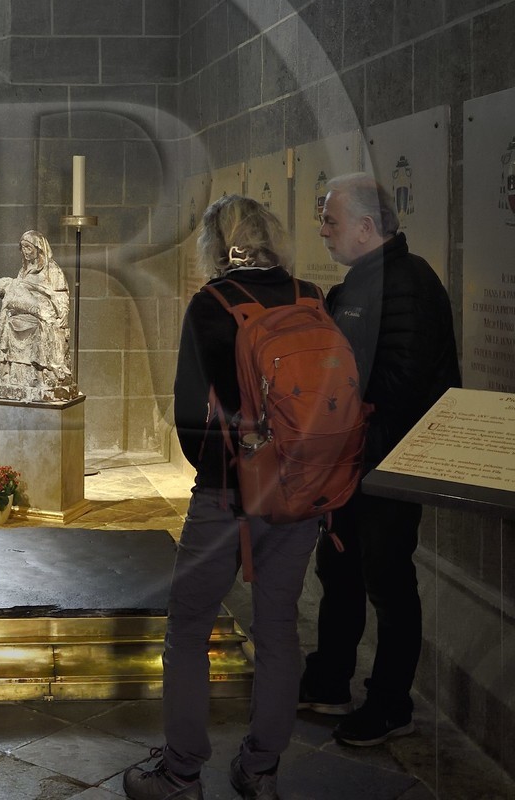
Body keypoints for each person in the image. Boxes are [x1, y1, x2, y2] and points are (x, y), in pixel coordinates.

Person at [124, 195, 324, 800]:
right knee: (279, 629)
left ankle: (182, 774)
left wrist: (223, 477)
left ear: (215, 245)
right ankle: (260, 771)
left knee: (188, 628)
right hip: (302, 492)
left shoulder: (212, 304)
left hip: (228, 495)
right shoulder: (312, 295)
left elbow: (189, 415)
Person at [299, 173, 461, 746]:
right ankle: (329, 679)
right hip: (350, 462)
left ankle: (391, 703)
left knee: (388, 580)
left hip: (389, 462)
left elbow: (399, 382)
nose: (323, 231)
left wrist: (329, 394)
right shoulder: (356, 284)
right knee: (337, 567)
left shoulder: (409, 286)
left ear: (367, 228)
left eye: (331, 221)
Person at [0, 230, 77, 403]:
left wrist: (62, 315)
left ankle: (41, 375)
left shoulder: (52, 270)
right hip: (24, 313)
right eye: (23, 248)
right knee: (10, 323)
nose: (25, 251)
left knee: (41, 326)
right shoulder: (23, 271)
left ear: (39, 249)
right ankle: (16, 375)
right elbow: (16, 291)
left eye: (28, 247)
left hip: (47, 314)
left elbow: (60, 296)